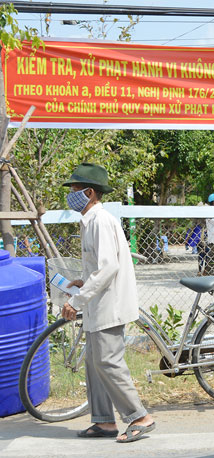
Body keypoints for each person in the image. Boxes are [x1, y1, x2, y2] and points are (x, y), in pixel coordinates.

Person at [60, 163, 155, 443]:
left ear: (89, 193)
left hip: (109, 305)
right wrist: (82, 281)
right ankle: (104, 421)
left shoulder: (100, 221)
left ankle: (140, 417)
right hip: (98, 303)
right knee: (93, 362)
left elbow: (107, 267)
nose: (72, 194)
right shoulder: (90, 220)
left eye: (76, 189)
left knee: (108, 362)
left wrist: (76, 301)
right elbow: (97, 268)